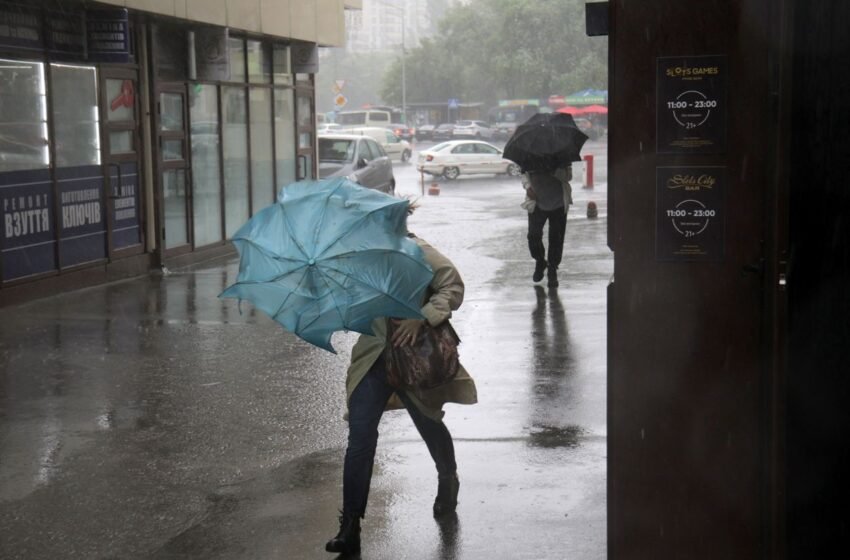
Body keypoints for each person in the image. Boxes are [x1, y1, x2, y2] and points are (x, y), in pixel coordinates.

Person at [325, 230, 478, 557]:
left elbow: (452, 286)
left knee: (429, 424)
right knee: (360, 437)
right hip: (373, 359)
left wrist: (421, 318)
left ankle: (448, 478)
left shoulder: (416, 250)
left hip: (414, 358)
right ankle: (350, 525)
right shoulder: (358, 259)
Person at [521, 163, 573, 288]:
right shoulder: (531, 156)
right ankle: (540, 261)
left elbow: (568, 176)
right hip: (536, 202)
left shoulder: (562, 158)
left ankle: (552, 269)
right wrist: (528, 187)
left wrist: (554, 170)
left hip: (558, 203)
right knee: (533, 235)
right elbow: (523, 173)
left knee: (556, 238)